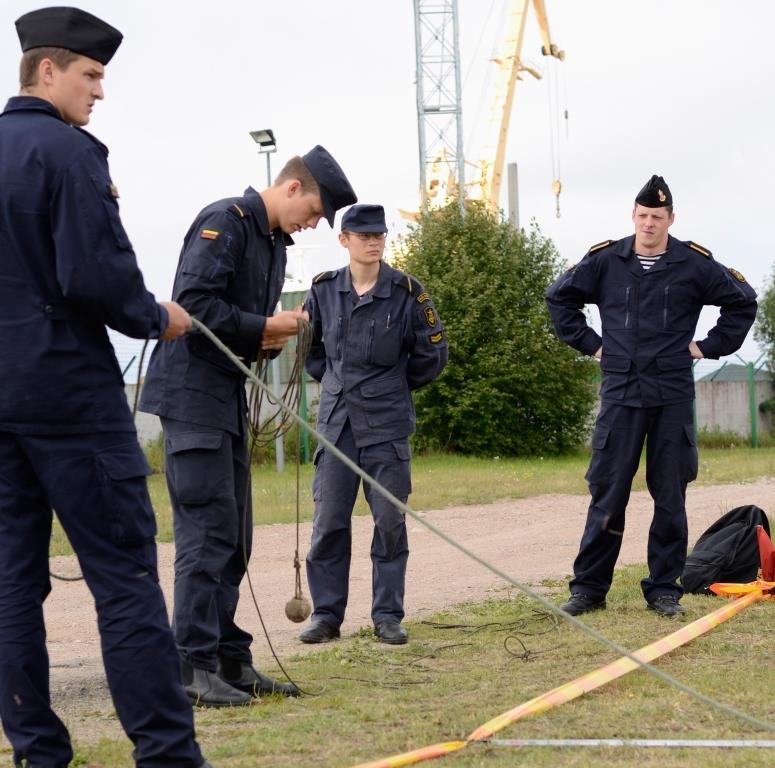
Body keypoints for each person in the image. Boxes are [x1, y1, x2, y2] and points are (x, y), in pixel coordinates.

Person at [0, 7, 211, 767]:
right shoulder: (67, 153)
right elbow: (96, 276)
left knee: (10, 588)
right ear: (46, 72)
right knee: (124, 580)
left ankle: (36, 753)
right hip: (69, 397)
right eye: (89, 76)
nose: (99, 93)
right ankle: (166, 756)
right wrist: (157, 316)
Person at [139, 146, 357, 705]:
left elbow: (241, 331)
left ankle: (230, 660)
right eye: (313, 209)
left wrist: (271, 336)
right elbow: (191, 308)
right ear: (291, 187)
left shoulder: (271, 244)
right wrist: (265, 324)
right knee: (206, 534)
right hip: (193, 400)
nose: (313, 222)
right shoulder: (225, 223)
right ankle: (191, 666)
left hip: (225, 400)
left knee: (235, 539)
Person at [546, 175, 757, 617]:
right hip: (621, 393)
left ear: (670, 219)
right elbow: (559, 298)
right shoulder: (606, 260)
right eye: (642, 216)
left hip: (671, 394)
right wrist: (592, 344)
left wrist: (706, 346)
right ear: (633, 217)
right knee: (608, 494)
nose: (648, 224)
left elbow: (743, 301)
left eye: (657, 217)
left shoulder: (693, 263)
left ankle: (663, 589)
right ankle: (588, 590)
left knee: (670, 496)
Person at [299, 204, 448, 646]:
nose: (373, 241)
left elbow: (432, 355)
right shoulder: (323, 289)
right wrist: (339, 386)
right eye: (363, 235)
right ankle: (326, 615)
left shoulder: (407, 292)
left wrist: (390, 388)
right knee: (328, 524)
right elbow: (312, 353)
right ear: (344, 240)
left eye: (379, 234)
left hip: (386, 425)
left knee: (389, 522)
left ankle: (387, 616)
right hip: (338, 423)